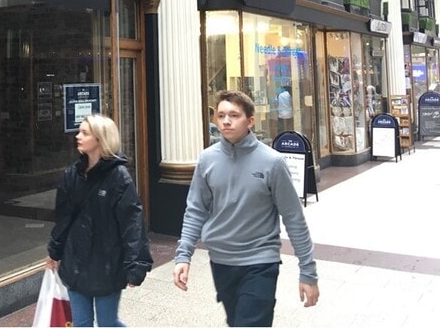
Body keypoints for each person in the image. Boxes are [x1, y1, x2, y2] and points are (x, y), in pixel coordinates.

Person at [173, 90, 319, 327]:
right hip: (221, 261)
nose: (226, 121)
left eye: (234, 115)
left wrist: (308, 272)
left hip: (260, 262)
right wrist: (183, 256)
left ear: (250, 121)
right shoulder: (207, 159)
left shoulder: (272, 162)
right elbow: (196, 210)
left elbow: (293, 218)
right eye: (221, 115)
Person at [45, 114, 152, 327]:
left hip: (107, 265)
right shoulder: (71, 175)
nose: (78, 136)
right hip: (75, 263)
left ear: (100, 139)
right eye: (79, 131)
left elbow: (132, 224)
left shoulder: (119, 178)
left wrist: (136, 265)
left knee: (107, 323)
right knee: (81, 323)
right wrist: (54, 252)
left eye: (85, 133)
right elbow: (63, 219)